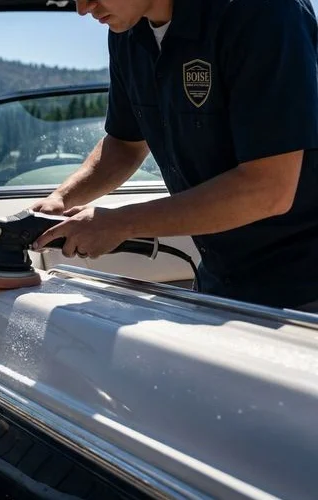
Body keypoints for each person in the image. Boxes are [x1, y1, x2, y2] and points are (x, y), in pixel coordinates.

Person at [30, 0, 318, 312]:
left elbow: (269, 189)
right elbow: (125, 145)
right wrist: (61, 199)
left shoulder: (265, 12)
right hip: (219, 283)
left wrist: (121, 223)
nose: (83, 8)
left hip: (304, 291)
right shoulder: (127, 33)